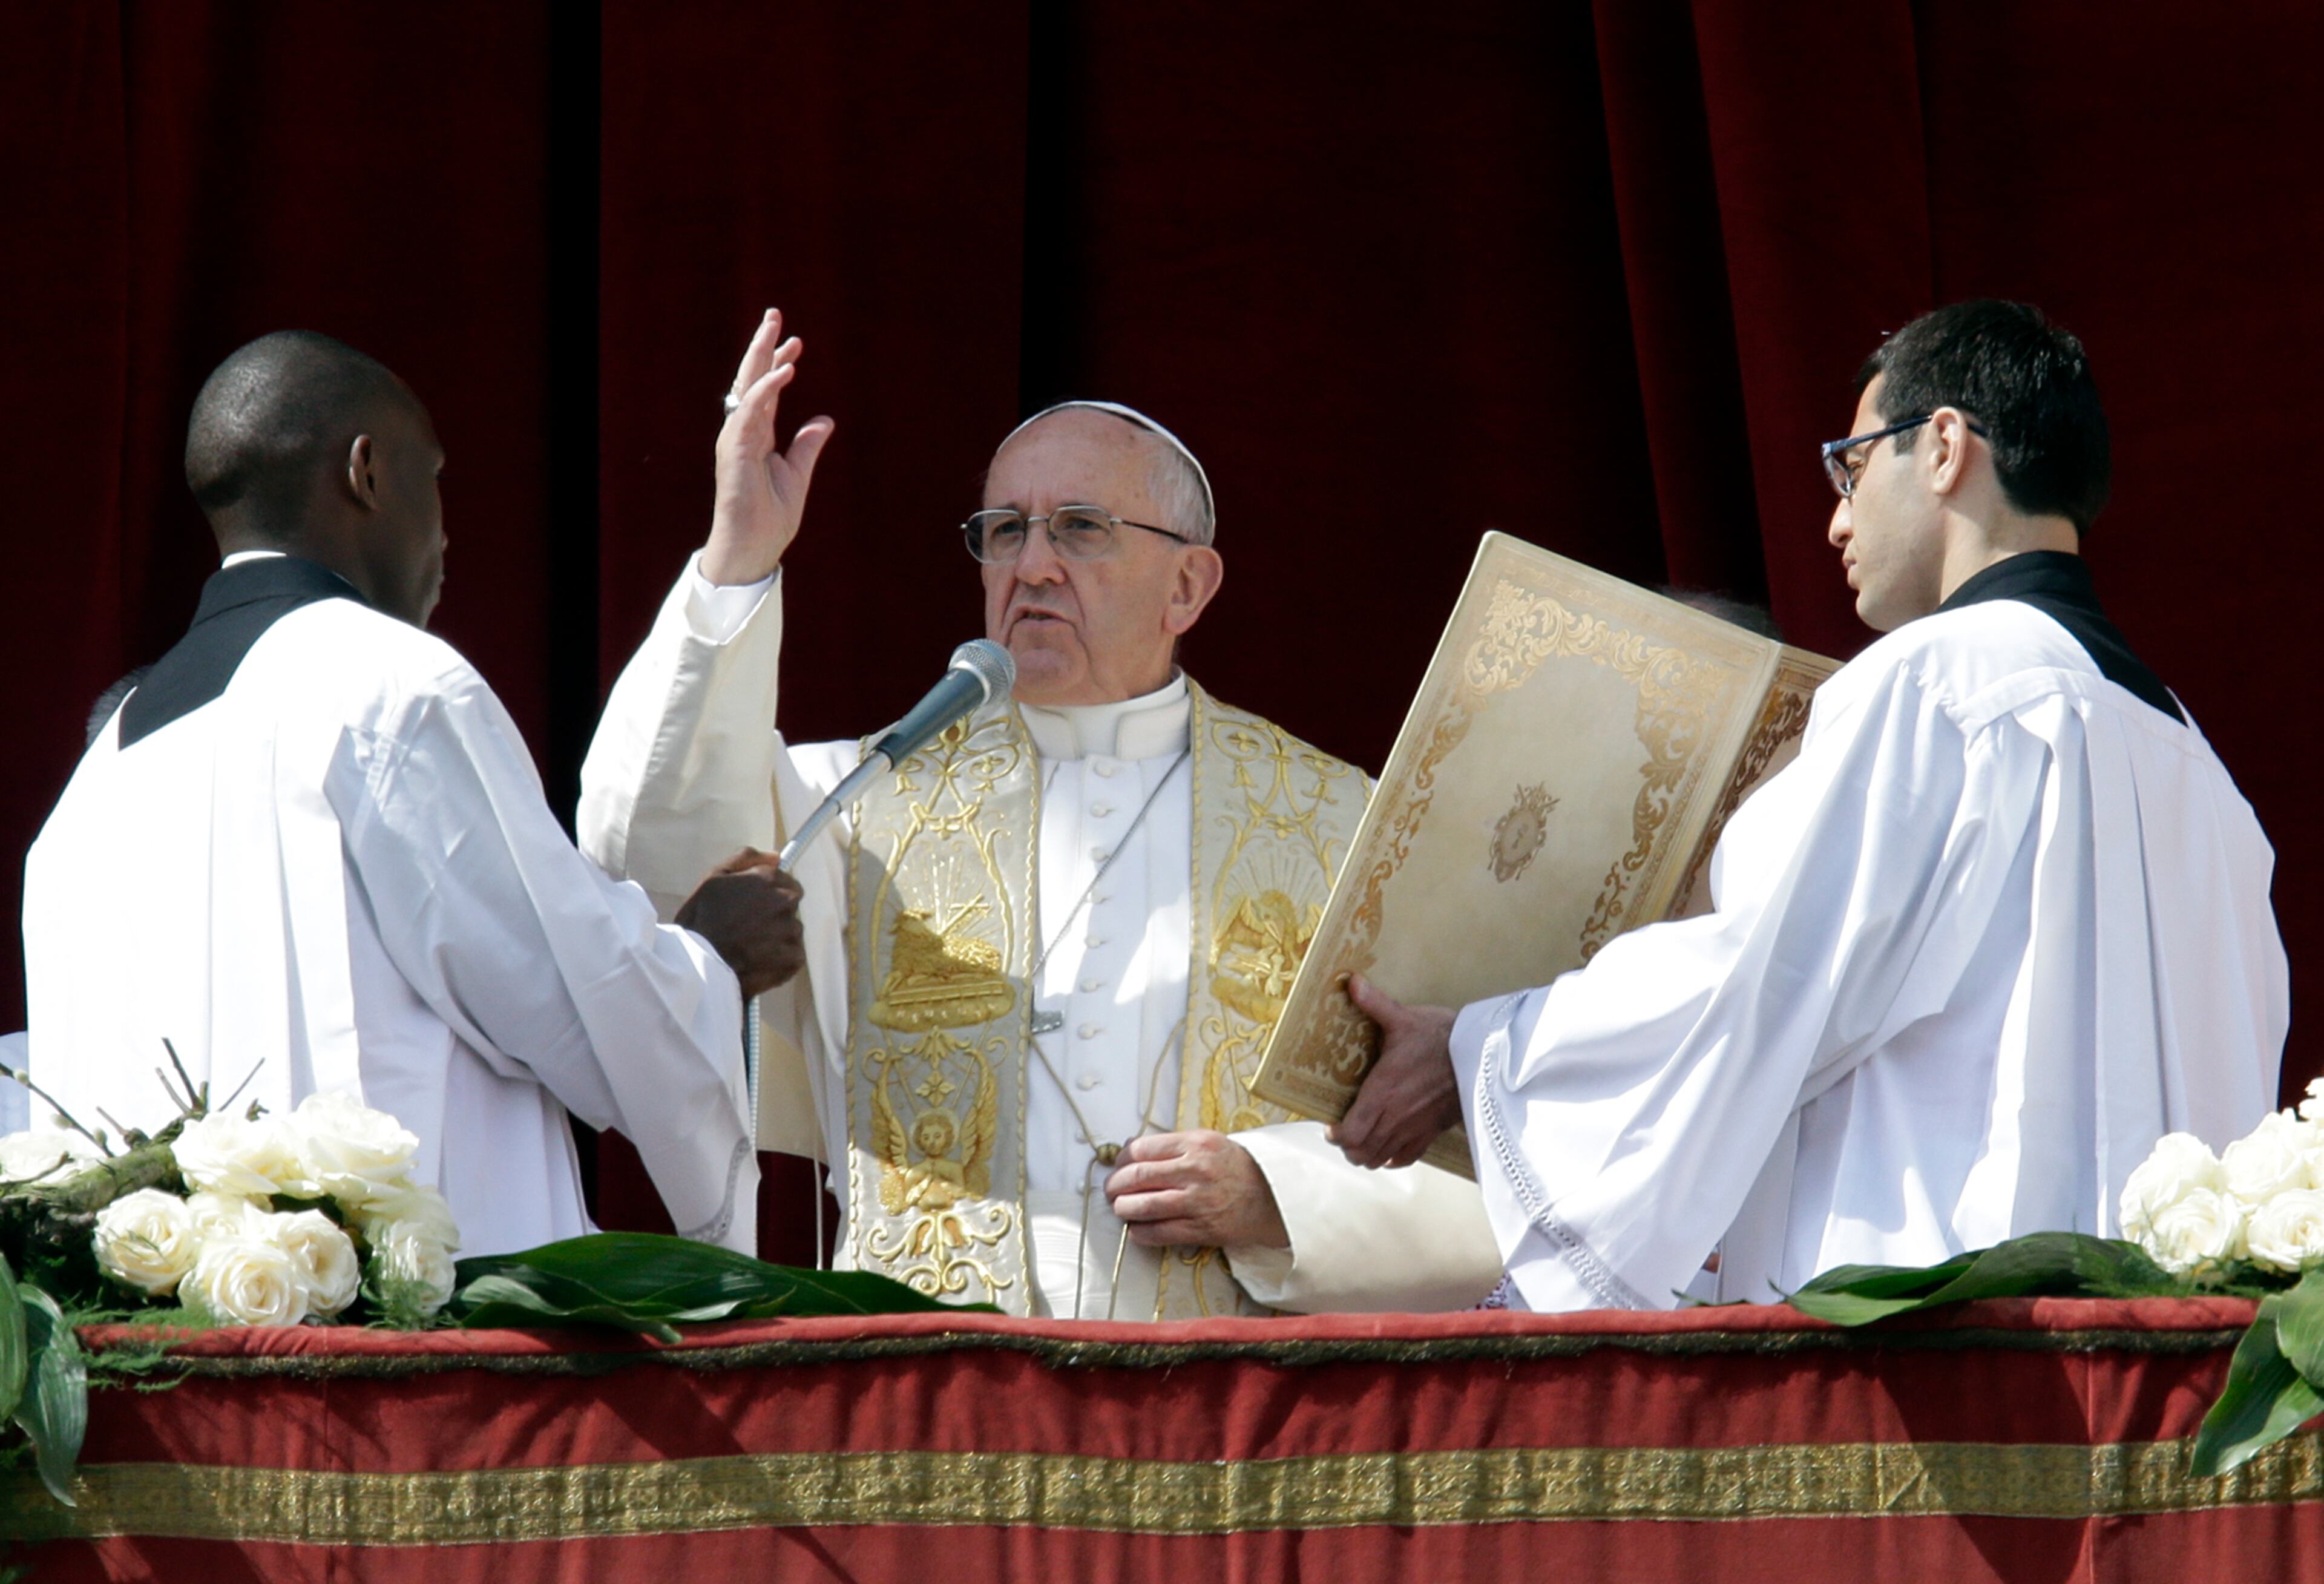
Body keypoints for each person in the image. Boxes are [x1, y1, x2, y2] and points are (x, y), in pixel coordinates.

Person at [1334, 300, 2288, 1312]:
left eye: (1852, 464)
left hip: (1942, 1339)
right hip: (2160, 1364)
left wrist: (1483, 1049)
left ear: (1944, 447)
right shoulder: (2200, 769)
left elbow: (1760, 975)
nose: (1835, 519)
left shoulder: (1935, 683)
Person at [580, 311, 1500, 1317]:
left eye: (1080, 527)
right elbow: (647, 849)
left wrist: (1277, 1197)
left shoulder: (1339, 821)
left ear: (1188, 585)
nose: (1034, 564)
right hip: (931, 1390)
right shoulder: (860, 798)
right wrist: (738, 558)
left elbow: (1479, 1137)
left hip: (1228, 1410)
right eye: (1006, 530)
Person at [24, 330, 806, 1258]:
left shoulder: (91, 784)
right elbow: (563, 985)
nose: (446, 532)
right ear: (366, 472)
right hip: (398, 1361)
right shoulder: (387, 690)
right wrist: (709, 956)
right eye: (434, 482)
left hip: (172, 1366)